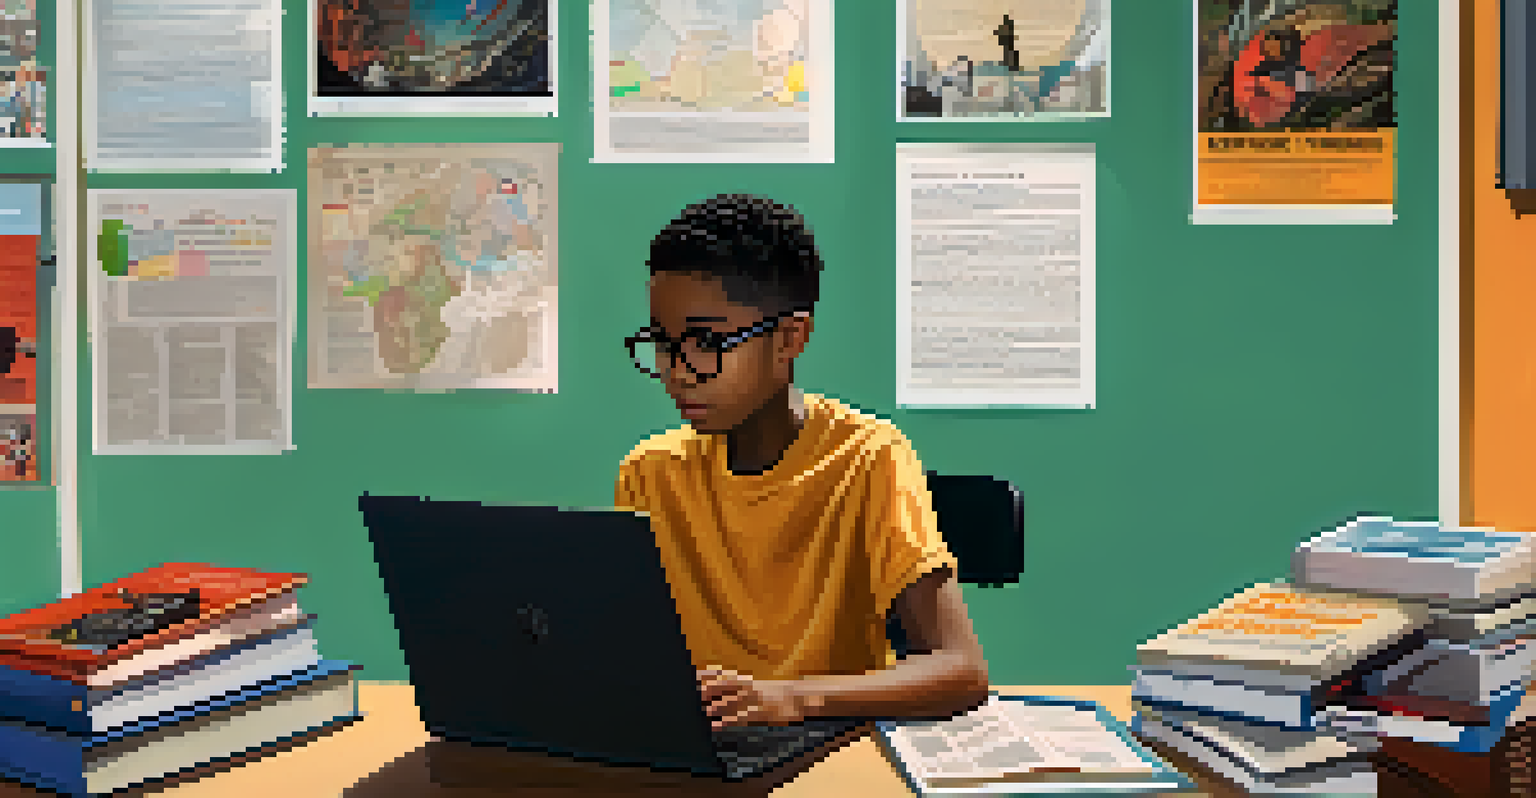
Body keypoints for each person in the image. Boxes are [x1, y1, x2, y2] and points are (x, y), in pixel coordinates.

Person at [616, 194, 989, 730]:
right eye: (663, 342)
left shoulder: (870, 457)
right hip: (697, 750)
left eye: (704, 341)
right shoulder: (648, 473)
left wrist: (791, 698)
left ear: (790, 338)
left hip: (824, 741)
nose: (678, 370)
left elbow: (963, 670)